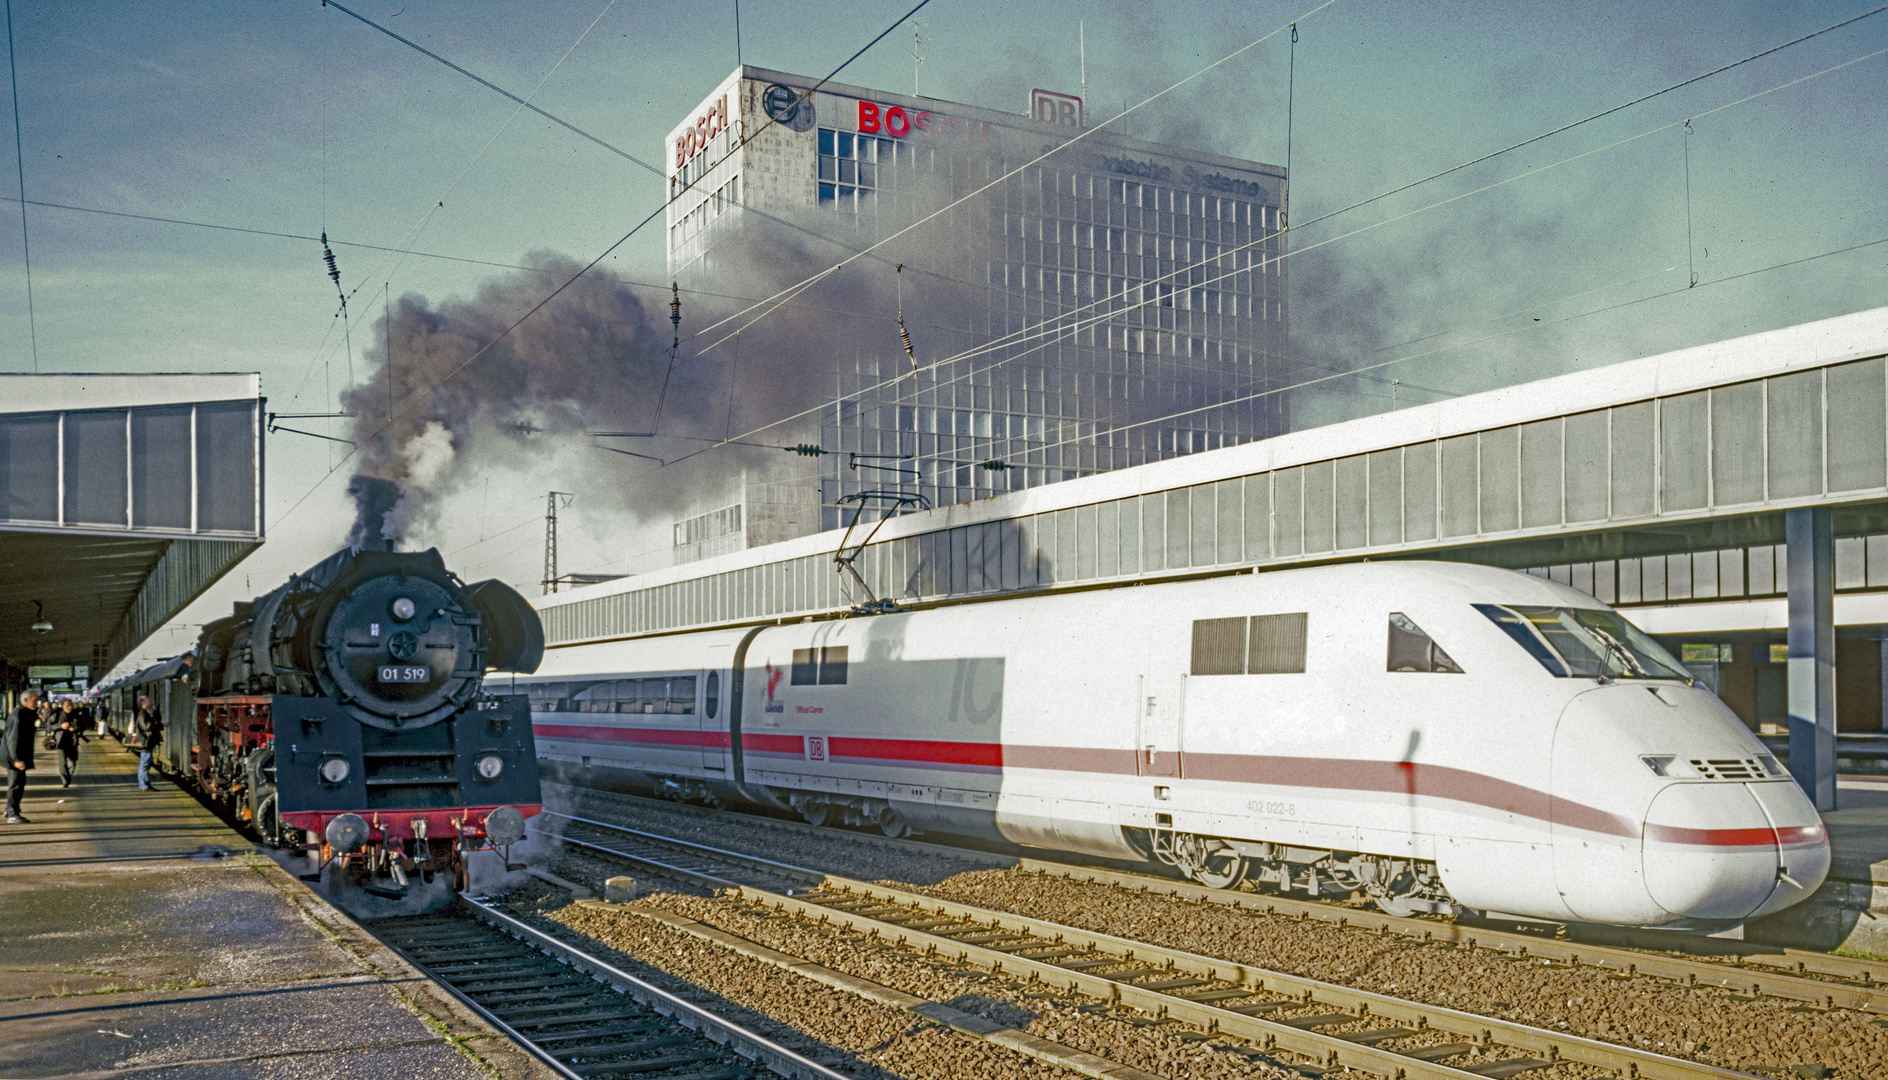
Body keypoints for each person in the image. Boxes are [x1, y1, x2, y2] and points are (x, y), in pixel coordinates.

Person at [4, 690, 37, 823]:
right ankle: (12, 813)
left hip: (20, 756)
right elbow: (12, 739)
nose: (37, 703)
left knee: (18, 783)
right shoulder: (18, 715)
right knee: (16, 784)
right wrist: (16, 760)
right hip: (16, 757)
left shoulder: (24, 713)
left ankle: (9, 810)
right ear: (25, 701)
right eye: (34, 700)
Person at [132, 695, 164, 792]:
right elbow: (146, 727)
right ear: (143, 703)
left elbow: (157, 721)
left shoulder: (146, 713)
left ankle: (146, 784)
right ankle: (143, 785)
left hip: (148, 742)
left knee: (146, 763)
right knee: (144, 764)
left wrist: (155, 712)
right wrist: (156, 723)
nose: (151, 701)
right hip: (145, 742)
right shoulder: (142, 714)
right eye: (148, 700)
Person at [53, 700, 87, 787]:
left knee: (73, 762)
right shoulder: (57, 715)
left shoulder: (77, 715)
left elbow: (84, 726)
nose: (70, 707)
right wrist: (60, 726)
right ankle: (65, 781)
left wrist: (75, 728)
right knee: (63, 763)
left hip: (73, 742)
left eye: (71, 705)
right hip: (61, 742)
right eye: (67, 705)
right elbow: (49, 726)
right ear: (63, 706)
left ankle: (68, 776)